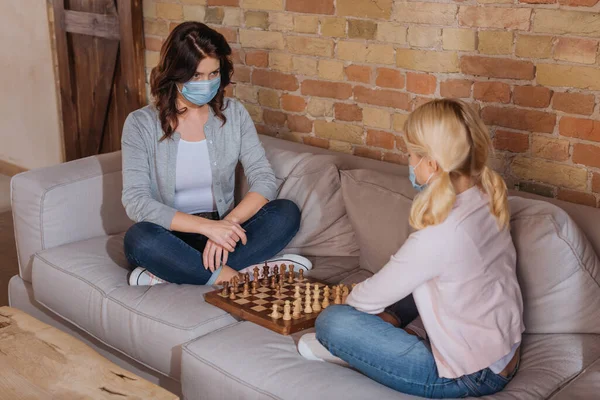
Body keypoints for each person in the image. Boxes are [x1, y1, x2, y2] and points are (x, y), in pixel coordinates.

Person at [303, 99, 524, 398]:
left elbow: (362, 302)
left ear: (431, 164)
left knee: (333, 322)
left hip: (469, 375)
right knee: (417, 280)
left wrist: (352, 302)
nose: (409, 163)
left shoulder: (440, 233)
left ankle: (366, 350)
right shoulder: (486, 195)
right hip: (503, 353)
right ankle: (397, 330)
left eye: (410, 155)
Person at [121, 21, 304, 287]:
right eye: (196, 76)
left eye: (213, 73)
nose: (206, 83)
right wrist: (204, 228)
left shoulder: (234, 113)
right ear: (175, 73)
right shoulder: (140, 124)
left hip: (224, 233)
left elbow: (264, 178)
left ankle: (175, 271)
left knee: (286, 213)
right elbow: (136, 200)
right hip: (172, 233)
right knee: (140, 239)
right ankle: (237, 277)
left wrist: (227, 225)